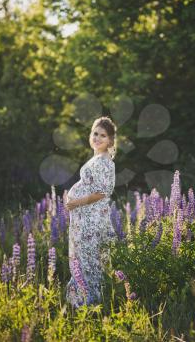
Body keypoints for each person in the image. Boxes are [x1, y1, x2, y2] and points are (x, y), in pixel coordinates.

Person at [65, 116, 118, 309]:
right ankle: (82, 301)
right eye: (95, 133)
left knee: (89, 261)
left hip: (92, 220)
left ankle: (90, 303)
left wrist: (75, 202)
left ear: (110, 141)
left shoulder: (105, 162)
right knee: (84, 259)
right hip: (85, 218)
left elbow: (101, 192)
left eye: (102, 135)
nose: (97, 138)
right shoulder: (96, 158)